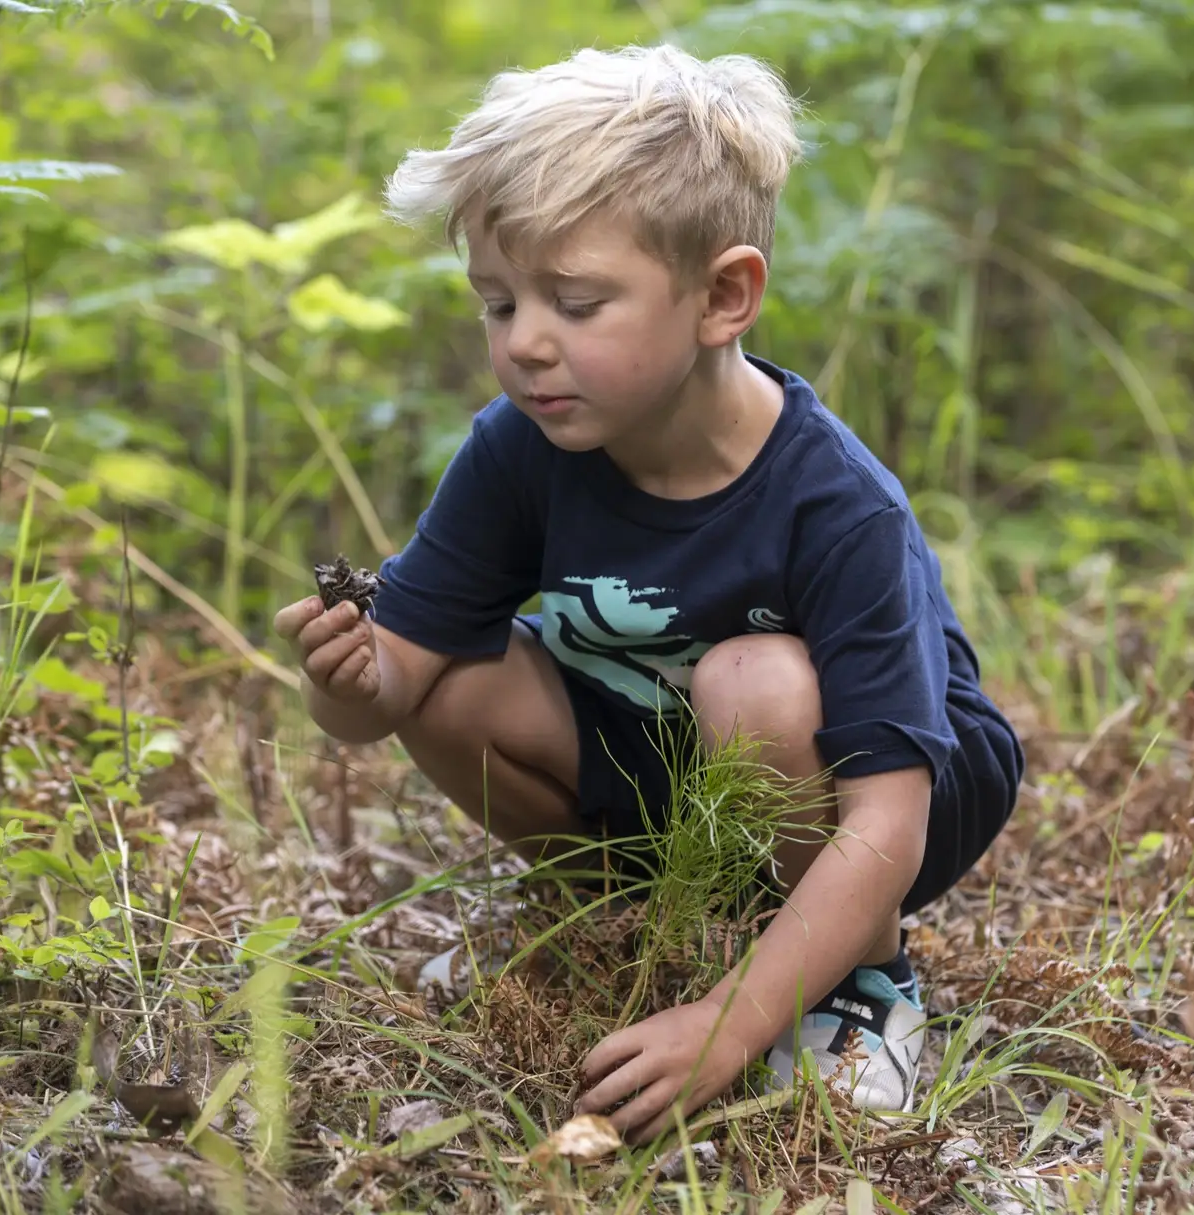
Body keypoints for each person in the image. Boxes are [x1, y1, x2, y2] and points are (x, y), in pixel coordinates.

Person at [271, 42, 1022, 1144]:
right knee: (452, 677)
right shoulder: (518, 448)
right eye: (499, 303)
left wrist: (728, 1026)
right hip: (664, 759)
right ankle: (624, 920)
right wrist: (346, 680)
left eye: (577, 303)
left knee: (756, 680)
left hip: (882, 787)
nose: (527, 343)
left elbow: (888, 822)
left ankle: (864, 984)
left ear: (723, 297)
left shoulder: (836, 503)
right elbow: (390, 693)